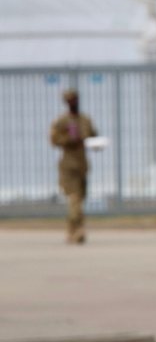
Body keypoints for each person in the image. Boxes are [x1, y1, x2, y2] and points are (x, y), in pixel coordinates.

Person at [49, 89, 97, 244]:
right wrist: (69, 140)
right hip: (68, 165)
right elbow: (54, 139)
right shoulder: (62, 121)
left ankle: (71, 230)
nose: (73, 102)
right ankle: (78, 231)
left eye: (75, 99)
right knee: (74, 198)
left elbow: (93, 136)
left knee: (80, 199)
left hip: (82, 164)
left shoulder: (85, 120)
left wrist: (96, 143)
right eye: (70, 100)